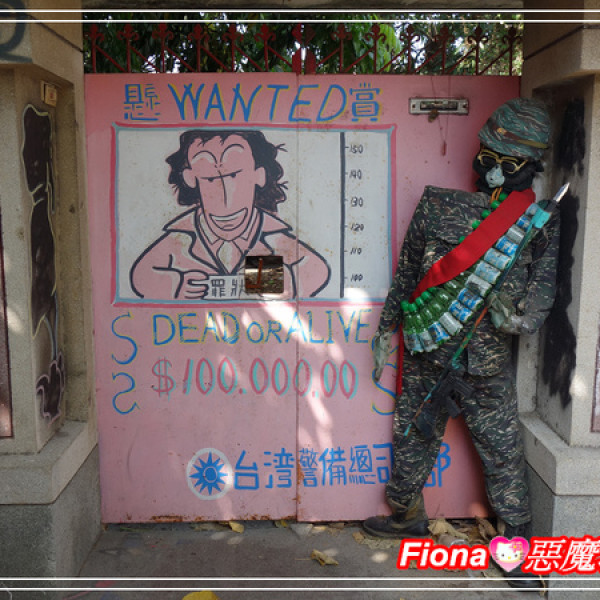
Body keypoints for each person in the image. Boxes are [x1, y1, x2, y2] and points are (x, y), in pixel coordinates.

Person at [364, 98, 559, 589]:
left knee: (502, 452)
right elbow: (408, 271)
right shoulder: (437, 204)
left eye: (509, 165)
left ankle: (516, 552)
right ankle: (405, 515)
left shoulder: (538, 220)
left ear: (529, 168)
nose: (494, 172)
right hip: (429, 347)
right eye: (489, 158)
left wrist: (516, 318)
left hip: (486, 360)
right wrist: (387, 328)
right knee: (412, 433)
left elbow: (542, 289)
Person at [130, 129, 330, 300]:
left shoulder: (272, 236)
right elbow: (141, 277)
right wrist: (176, 285)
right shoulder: (181, 236)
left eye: (235, 175)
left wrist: (281, 281)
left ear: (259, 175)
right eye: (209, 178)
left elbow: (317, 270)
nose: (225, 195)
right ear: (190, 178)